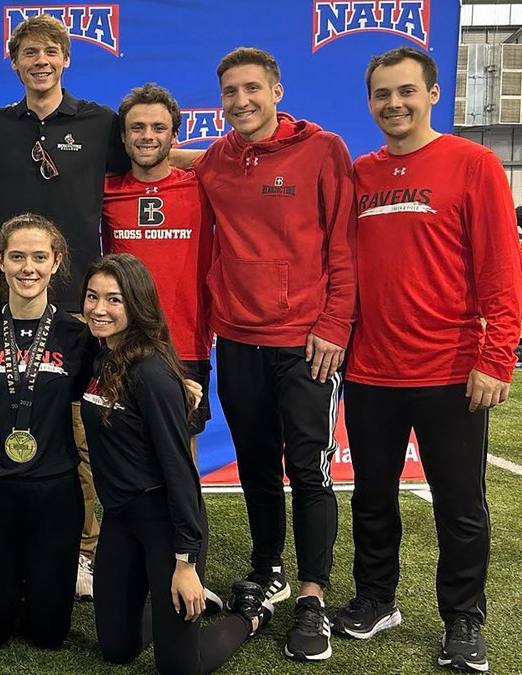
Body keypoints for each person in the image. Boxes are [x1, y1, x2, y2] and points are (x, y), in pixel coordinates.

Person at [334, 47, 522, 673]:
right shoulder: (358, 174)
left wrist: (496, 357)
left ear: (433, 94)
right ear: (370, 102)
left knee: (460, 504)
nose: (394, 104)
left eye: (406, 92)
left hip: (449, 371)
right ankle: (376, 598)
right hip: (368, 372)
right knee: (372, 498)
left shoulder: (473, 163)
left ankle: (464, 620)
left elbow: (501, 268)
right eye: (383, 94)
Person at [193, 46, 357, 662]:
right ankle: (269, 569)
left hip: (306, 342)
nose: (241, 101)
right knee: (256, 464)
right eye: (230, 92)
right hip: (237, 340)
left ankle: (312, 595)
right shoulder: (216, 159)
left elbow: (344, 244)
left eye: (252, 89)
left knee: (309, 468)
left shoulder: (323, 149)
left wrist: (335, 324)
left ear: (278, 90)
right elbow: (180, 165)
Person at [0, 16, 135, 595]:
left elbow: (151, 159)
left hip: (75, 306)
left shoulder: (100, 122)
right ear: (14, 61)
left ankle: (83, 552)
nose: (40, 61)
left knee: (78, 434)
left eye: (50, 52)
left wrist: (210, 161)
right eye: (28, 53)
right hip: (5, 300)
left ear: (66, 58)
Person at [81, 253, 272, 673]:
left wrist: (185, 563)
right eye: (92, 297)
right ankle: (185, 612)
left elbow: (181, 471)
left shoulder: (150, 372)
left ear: (137, 304)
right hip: (120, 521)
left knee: (180, 668)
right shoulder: (103, 357)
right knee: (116, 649)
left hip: (165, 525)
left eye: (114, 300)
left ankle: (249, 616)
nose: (99, 309)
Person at [0, 213, 95, 648]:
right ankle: (2, 581)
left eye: (39, 257)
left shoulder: (78, 335)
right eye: (17, 257)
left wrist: (176, 378)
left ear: (56, 262)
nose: (28, 268)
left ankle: (34, 585)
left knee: (48, 636)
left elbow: (125, 367)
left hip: (53, 489)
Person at [102, 83, 214, 460]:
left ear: (174, 135)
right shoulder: (104, 191)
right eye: (136, 128)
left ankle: (186, 522)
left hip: (185, 343)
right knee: (126, 454)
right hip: (123, 342)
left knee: (182, 454)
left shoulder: (204, 185)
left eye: (158, 128)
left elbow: (232, 157)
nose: (147, 136)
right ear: (122, 136)